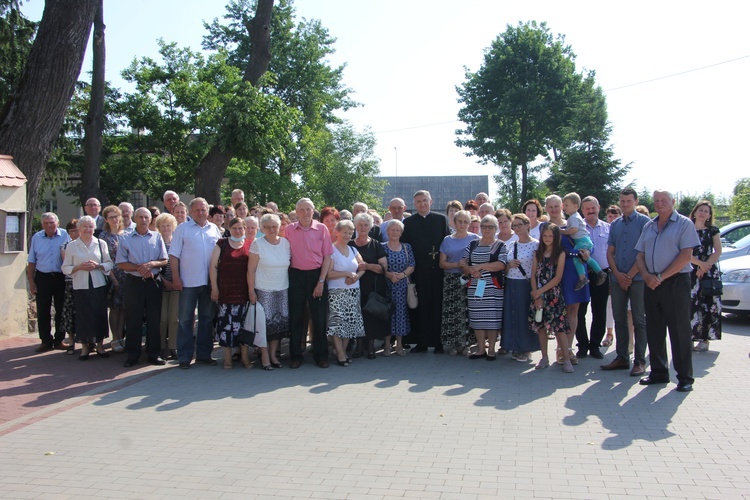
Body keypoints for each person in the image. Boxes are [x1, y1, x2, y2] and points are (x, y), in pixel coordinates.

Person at [635, 189, 700, 392]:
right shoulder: (649, 225)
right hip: (651, 282)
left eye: (664, 200)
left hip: (675, 282)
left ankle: (685, 377)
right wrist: (646, 275)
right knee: (654, 328)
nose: (660, 203)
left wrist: (661, 277)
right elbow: (640, 255)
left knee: (679, 330)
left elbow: (686, 255)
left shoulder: (684, 224)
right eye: (656, 200)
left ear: (673, 201)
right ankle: (658, 373)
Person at [169, 197, 224, 369]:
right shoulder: (182, 229)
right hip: (188, 282)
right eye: (197, 210)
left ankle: (203, 355)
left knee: (207, 319)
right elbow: (173, 255)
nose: (201, 213)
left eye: (203, 210)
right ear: (191, 212)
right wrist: (176, 278)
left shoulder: (214, 229)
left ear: (208, 211)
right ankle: (184, 357)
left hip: (208, 283)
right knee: (185, 319)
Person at [601, 187, 650, 376]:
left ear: (636, 202)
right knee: (619, 318)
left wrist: (628, 275)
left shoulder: (645, 223)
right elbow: (610, 252)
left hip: (637, 279)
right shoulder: (616, 224)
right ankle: (622, 357)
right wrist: (618, 274)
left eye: (629, 201)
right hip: (617, 278)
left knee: (639, 319)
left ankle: (639, 361)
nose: (625, 204)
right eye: (622, 201)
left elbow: (643, 253)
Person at [117, 207, 169, 367]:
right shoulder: (125, 238)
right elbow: (121, 263)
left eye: (146, 217)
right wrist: (140, 268)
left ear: (150, 219)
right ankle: (132, 355)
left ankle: (154, 354)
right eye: (140, 217)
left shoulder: (157, 236)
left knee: (154, 319)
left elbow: (164, 260)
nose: (143, 220)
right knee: (133, 319)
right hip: (134, 282)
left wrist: (152, 264)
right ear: (135, 218)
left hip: (153, 282)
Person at [209, 217, 263, 370]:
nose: (238, 231)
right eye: (234, 228)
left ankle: (245, 358)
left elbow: (253, 269)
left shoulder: (250, 245)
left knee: (244, 326)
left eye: (240, 228)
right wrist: (214, 287)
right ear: (229, 229)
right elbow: (213, 267)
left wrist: (252, 290)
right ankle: (227, 358)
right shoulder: (222, 244)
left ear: (245, 229)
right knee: (226, 325)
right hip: (226, 292)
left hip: (244, 292)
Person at [286, 198, 334, 368]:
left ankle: (321, 355)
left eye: (309, 209)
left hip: (316, 276)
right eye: (302, 210)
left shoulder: (321, 229)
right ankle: (295, 356)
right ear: (297, 212)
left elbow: (327, 256)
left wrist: (321, 281)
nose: (306, 213)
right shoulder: (289, 230)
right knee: (296, 317)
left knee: (319, 318)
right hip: (296, 276)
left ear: (314, 211)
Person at [402, 190, 450, 353]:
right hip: (418, 271)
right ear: (414, 205)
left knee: (438, 306)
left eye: (424, 201)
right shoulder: (408, 223)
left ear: (431, 202)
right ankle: (421, 342)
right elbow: (406, 248)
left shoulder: (441, 220)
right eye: (418, 202)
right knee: (420, 306)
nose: (422, 204)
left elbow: (447, 243)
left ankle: (438, 342)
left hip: (438, 271)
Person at [61, 216, 114, 360]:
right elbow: (65, 268)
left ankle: (100, 345)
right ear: (79, 228)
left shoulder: (100, 243)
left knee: (99, 314)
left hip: (98, 284)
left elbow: (109, 263)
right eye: (85, 226)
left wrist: (97, 266)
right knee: (84, 316)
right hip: (81, 285)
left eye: (91, 227)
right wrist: (79, 267)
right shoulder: (72, 246)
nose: (88, 229)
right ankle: (85, 347)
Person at [545, 195, 587, 366]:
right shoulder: (545, 226)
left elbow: (586, 241)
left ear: (562, 206)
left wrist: (587, 252)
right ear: (546, 208)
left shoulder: (573, 222)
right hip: (556, 271)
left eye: (557, 206)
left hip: (575, 270)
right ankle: (559, 349)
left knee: (574, 310)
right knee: (558, 311)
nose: (554, 209)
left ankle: (568, 349)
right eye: (550, 206)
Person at [461, 215, 507, 360]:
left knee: (493, 318)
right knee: (477, 317)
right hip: (475, 286)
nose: (487, 229)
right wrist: (470, 270)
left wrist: (480, 266)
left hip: (493, 288)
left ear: (496, 229)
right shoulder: (473, 244)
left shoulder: (500, 245)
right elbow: (463, 261)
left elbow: (501, 264)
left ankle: (492, 349)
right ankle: (481, 349)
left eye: (490, 227)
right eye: (484, 226)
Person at [248, 213, 291, 369]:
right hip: (263, 290)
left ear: (279, 227)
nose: (272, 229)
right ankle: (264, 355)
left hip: (282, 289)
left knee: (278, 325)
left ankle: (273, 355)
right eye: (267, 227)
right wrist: (251, 291)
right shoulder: (257, 244)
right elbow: (251, 270)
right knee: (264, 326)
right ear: (262, 228)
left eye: (275, 226)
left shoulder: (286, 243)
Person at [530, 222, 572, 371]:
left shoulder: (560, 253)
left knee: (559, 328)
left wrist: (540, 291)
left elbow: (557, 277)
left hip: (553, 295)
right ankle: (544, 357)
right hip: (538, 296)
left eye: (550, 236)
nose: (547, 238)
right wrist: (536, 295)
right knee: (541, 327)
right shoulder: (537, 253)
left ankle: (566, 359)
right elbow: (533, 275)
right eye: (545, 236)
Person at [27, 212, 70, 352]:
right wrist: (31, 282)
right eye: (46, 223)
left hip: (60, 277)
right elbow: (32, 261)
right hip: (43, 277)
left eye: (52, 222)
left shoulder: (65, 235)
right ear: (42, 225)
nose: (49, 225)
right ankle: (45, 340)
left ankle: (59, 340)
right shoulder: (37, 237)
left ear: (57, 223)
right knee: (43, 310)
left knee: (61, 310)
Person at [574, 196, 610, 360]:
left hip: (601, 274)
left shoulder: (608, 228)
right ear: (582, 210)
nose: (590, 210)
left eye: (593, 207)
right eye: (587, 208)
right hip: (582, 274)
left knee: (599, 311)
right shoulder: (577, 227)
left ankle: (595, 345)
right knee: (579, 312)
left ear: (599, 207)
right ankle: (582, 345)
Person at [327, 220, 366, 366]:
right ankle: (341, 354)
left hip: (353, 291)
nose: (348, 235)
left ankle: (341, 352)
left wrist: (356, 276)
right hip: (336, 291)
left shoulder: (354, 250)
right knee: (337, 323)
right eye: (345, 232)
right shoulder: (331, 250)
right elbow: (328, 274)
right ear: (337, 232)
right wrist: (346, 273)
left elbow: (362, 268)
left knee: (349, 323)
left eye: (350, 233)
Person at [502, 213, 540, 363]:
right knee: (512, 315)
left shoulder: (536, 245)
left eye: (519, 225)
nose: (517, 228)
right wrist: (508, 266)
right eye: (514, 226)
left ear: (527, 225)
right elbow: (504, 267)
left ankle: (526, 348)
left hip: (526, 284)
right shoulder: (512, 245)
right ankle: (513, 346)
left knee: (525, 316)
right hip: (511, 282)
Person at [439, 210, 478, 356]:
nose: (462, 224)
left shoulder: (475, 239)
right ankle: (453, 345)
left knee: (468, 312)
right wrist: (457, 264)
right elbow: (442, 264)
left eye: (465, 221)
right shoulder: (447, 240)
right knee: (452, 312)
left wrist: (468, 267)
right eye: (459, 221)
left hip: (470, 278)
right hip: (451, 280)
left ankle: (467, 345)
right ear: (454, 223)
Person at [351, 212, 389, 359]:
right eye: (360, 224)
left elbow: (383, 268)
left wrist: (367, 266)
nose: (363, 227)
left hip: (373, 287)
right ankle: (359, 346)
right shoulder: (350, 244)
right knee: (357, 316)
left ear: (371, 227)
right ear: (355, 225)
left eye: (366, 225)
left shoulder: (376, 244)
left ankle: (371, 346)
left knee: (371, 317)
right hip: (354, 286)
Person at [688, 200, 722, 352]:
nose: (703, 213)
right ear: (694, 212)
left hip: (708, 272)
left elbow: (717, 251)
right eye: (700, 210)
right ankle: (688, 337)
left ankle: (704, 339)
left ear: (709, 215)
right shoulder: (687, 229)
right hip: (690, 269)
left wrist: (704, 266)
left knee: (707, 305)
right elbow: (683, 252)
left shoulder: (713, 230)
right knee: (690, 304)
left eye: (706, 211)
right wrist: (698, 264)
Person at [560, 192, 607, 291]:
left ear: (575, 206)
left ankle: (584, 278)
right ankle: (598, 272)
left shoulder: (574, 217)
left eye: (567, 205)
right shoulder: (574, 217)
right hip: (582, 241)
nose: (564, 208)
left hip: (582, 241)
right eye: (564, 205)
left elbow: (574, 230)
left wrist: (563, 232)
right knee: (584, 257)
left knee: (576, 257)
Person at [382, 219, 415, 356]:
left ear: (401, 232)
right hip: (386, 285)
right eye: (392, 229)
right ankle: (387, 346)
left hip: (402, 286)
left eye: (398, 230)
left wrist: (401, 275)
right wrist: (388, 275)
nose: (395, 232)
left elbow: (412, 265)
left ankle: (399, 346)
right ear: (387, 231)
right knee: (387, 315)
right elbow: (379, 264)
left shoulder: (407, 247)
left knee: (401, 315)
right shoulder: (381, 246)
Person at [99, 205, 127, 353]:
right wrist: (114, 279)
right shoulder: (104, 237)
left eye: (116, 216)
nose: (115, 220)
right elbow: (104, 259)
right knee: (115, 309)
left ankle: (121, 337)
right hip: (112, 276)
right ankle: (114, 338)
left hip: (127, 275)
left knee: (123, 309)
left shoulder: (127, 234)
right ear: (106, 219)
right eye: (111, 217)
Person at [155, 212, 179, 360]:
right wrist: (165, 281)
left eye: (168, 225)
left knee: (174, 319)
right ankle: (162, 346)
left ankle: (173, 346)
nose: (166, 228)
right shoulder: (156, 242)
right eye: (163, 225)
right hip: (161, 285)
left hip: (176, 286)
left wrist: (176, 281)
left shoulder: (177, 242)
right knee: (162, 319)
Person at [60, 219, 79, 354]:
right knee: (70, 312)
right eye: (71, 231)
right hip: (70, 282)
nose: (75, 234)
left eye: (76, 230)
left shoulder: (90, 243)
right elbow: (67, 264)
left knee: (84, 311)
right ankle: (71, 341)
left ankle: (89, 341)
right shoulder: (65, 245)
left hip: (85, 281)